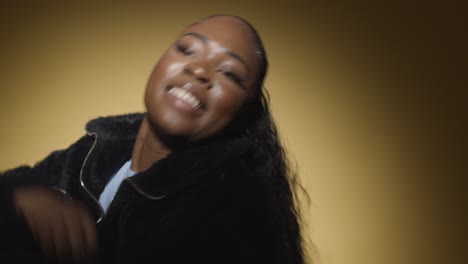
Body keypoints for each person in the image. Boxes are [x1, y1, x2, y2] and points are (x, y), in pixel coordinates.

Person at [0, 14, 307, 263]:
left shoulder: (229, 213)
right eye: (187, 49)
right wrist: (21, 198)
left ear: (244, 112)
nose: (199, 70)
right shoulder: (97, 149)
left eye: (229, 74)